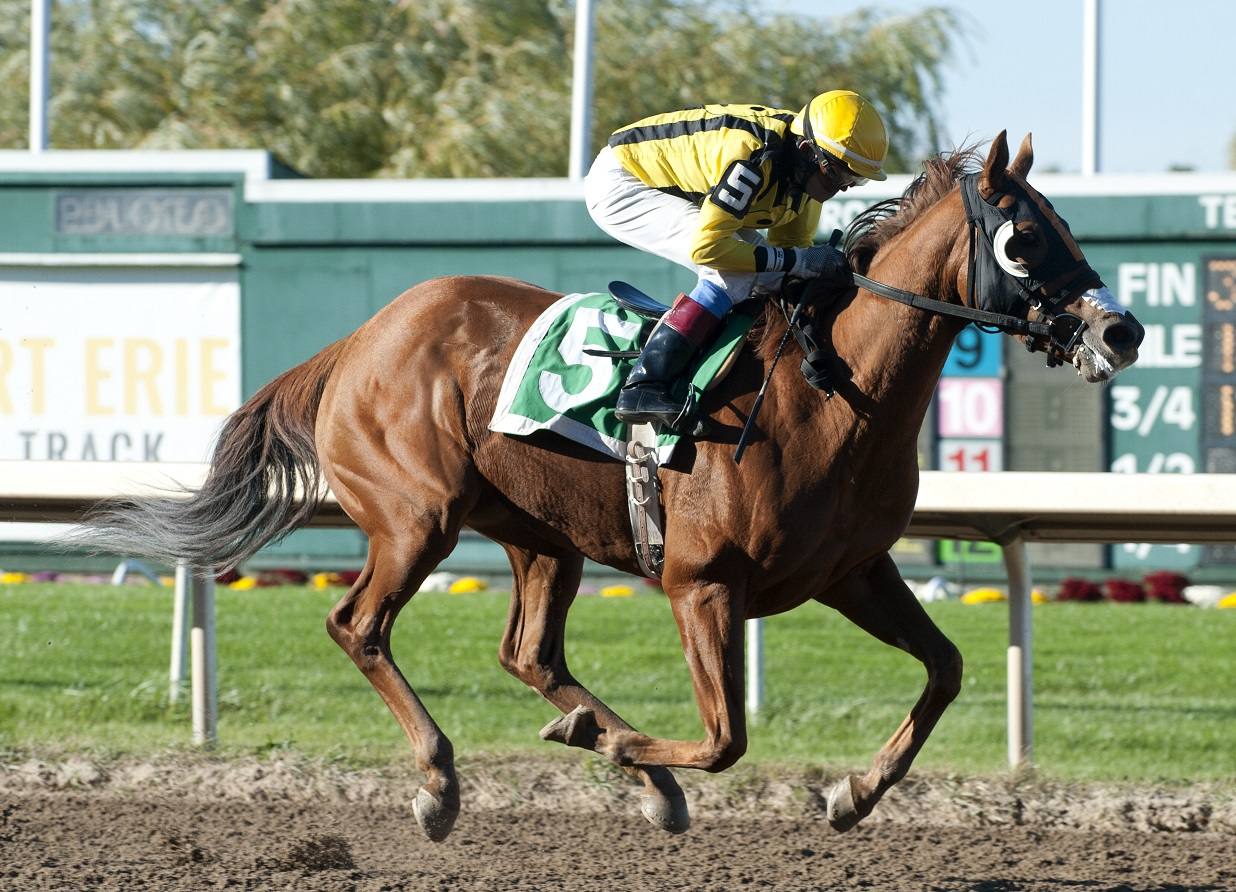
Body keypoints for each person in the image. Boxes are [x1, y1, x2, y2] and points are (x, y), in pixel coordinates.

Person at [584, 90, 889, 430]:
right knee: (733, 272)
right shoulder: (752, 160)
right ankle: (643, 385)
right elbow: (708, 250)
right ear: (806, 151)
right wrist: (799, 262)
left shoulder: (809, 175)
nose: (844, 188)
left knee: (771, 272)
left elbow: (790, 256)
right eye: (839, 175)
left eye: (855, 179)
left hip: (677, 188)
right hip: (624, 183)